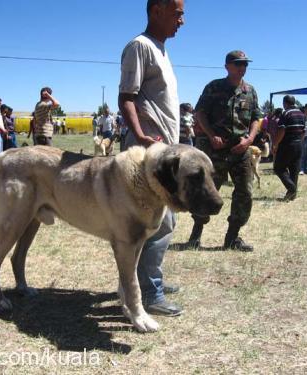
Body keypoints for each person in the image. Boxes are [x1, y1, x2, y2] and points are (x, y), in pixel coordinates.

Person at [118, 0, 184, 316]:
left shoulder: (161, 50)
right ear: (156, 10)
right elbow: (126, 97)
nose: (182, 21)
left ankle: (149, 281)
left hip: (164, 150)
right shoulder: (139, 46)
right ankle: (150, 292)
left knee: (160, 221)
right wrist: (142, 136)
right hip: (147, 151)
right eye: (178, 13)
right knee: (157, 221)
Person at [187, 50, 260, 251]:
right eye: (238, 64)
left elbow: (256, 117)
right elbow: (200, 112)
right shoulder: (214, 87)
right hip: (214, 149)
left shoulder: (250, 91)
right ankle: (196, 234)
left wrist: (250, 139)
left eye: (245, 64)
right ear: (227, 66)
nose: (242, 68)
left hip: (240, 149)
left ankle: (232, 237)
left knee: (245, 192)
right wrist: (211, 135)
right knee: (207, 192)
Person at [273, 95, 305, 201]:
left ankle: (292, 188)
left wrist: (275, 144)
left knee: (278, 168)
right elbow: (304, 131)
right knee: (294, 170)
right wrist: (299, 141)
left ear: (285, 103)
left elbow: (281, 130)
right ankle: (292, 195)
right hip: (299, 143)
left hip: (287, 144)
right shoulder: (301, 114)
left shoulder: (286, 113)